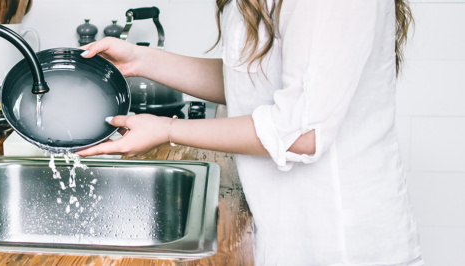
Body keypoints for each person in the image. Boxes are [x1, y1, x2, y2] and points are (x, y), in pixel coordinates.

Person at [76, 0, 422, 265]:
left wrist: (169, 129)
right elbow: (251, 82)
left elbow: (302, 133)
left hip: (338, 239)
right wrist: (140, 60)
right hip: (287, 226)